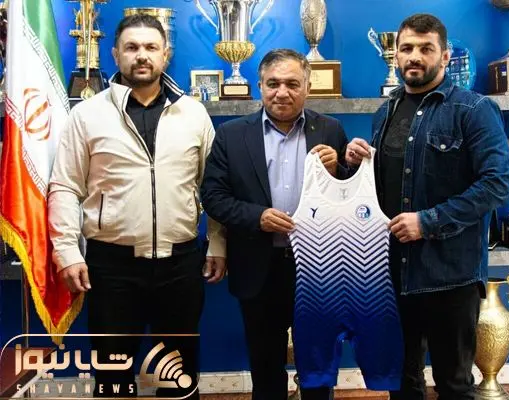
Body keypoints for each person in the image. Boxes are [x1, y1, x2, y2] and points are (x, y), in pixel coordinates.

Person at [48, 14, 226, 399]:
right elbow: (64, 186)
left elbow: (212, 187)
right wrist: (66, 251)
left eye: (150, 47)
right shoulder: (87, 114)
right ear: (115, 54)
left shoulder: (193, 114)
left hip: (180, 265)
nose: (141, 55)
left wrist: (217, 243)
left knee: (178, 377)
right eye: (131, 47)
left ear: (165, 54)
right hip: (112, 267)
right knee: (113, 379)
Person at [345, 14, 509, 400]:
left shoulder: (473, 109)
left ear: (445, 55)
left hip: (449, 277)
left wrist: (428, 221)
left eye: (426, 48)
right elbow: (390, 185)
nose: (414, 57)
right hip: (392, 274)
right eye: (406, 48)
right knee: (402, 383)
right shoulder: (385, 112)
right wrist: (359, 164)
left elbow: (498, 183)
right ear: (396, 55)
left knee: (454, 385)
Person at [201, 48, 348, 400]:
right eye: (273, 83)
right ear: (260, 86)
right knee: (265, 366)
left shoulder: (330, 130)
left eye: (292, 84)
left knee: (318, 366)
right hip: (258, 268)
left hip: (318, 268)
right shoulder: (232, 135)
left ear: (307, 87)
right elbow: (213, 196)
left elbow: (351, 196)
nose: (282, 92)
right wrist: (257, 217)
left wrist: (339, 170)